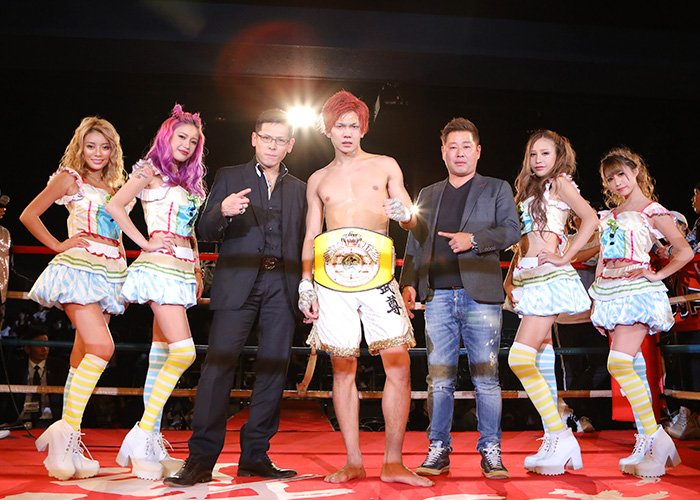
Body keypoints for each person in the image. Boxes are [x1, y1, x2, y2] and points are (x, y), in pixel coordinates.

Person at [163, 109, 307, 487]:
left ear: (290, 145)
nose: (272, 145)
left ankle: (255, 456)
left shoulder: (301, 188)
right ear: (254, 139)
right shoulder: (230, 176)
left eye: (280, 140)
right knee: (218, 368)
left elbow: (306, 241)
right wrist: (222, 211)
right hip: (237, 281)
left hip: (283, 286)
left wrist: (307, 289)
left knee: (274, 370)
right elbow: (204, 229)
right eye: (267, 138)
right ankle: (200, 460)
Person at [299, 90, 431, 487]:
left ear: (363, 128)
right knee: (342, 368)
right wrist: (305, 283)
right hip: (332, 281)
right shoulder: (318, 179)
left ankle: (394, 462)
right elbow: (311, 234)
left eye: (353, 126)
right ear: (327, 129)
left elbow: (411, 220)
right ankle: (353, 461)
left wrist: (405, 214)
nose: (347, 132)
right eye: (339, 125)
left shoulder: (385, 165)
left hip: (379, 277)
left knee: (399, 364)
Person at [399, 117, 520, 479]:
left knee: (487, 377)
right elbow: (416, 242)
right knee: (438, 378)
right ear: (443, 152)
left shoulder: (496, 188)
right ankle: (438, 449)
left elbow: (512, 231)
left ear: (478, 151)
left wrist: (475, 240)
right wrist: (408, 283)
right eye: (453, 147)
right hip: (436, 295)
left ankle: (491, 451)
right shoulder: (429, 193)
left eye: (466, 146)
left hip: (480, 295)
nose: (460, 152)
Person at [20, 116, 129, 480]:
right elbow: (29, 214)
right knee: (102, 347)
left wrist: (123, 271)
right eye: (90, 145)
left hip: (110, 271)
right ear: (80, 147)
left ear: (113, 150)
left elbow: (119, 233)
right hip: (79, 268)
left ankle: (68, 441)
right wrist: (57, 244)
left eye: (105, 146)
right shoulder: (70, 178)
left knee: (83, 354)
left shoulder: (115, 186)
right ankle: (65, 435)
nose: (97, 153)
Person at [106, 104, 206, 481]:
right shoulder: (149, 170)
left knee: (161, 355)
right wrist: (144, 243)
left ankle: (149, 442)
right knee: (184, 352)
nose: (186, 144)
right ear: (167, 136)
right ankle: (143, 431)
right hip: (160, 266)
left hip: (182, 268)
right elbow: (115, 205)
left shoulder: (188, 179)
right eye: (181, 137)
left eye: (193, 141)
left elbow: (190, 230)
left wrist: (197, 267)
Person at [589, 148, 693, 477]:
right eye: (610, 178)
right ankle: (647, 440)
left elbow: (684, 251)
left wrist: (656, 275)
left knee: (618, 363)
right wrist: (597, 293)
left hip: (636, 292)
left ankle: (656, 438)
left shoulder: (652, 210)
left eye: (621, 173)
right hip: (610, 292)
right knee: (630, 365)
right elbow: (603, 256)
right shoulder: (610, 214)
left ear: (635, 171)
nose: (616, 182)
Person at [503, 130, 598, 476]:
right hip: (528, 278)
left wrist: (566, 256)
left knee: (519, 358)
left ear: (558, 156)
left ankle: (561, 434)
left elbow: (591, 219)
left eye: (545, 153)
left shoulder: (559, 183)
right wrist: (510, 279)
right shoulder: (529, 189)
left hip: (548, 277)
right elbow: (524, 242)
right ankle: (553, 438)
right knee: (543, 360)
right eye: (533, 154)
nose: (538, 160)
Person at [1, 326, 68, 429]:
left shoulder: (59, 367)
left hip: (50, 419)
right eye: (39, 345)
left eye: (47, 344)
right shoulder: (15, 367)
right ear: (27, 348)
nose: (45, 349)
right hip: (20, 419)